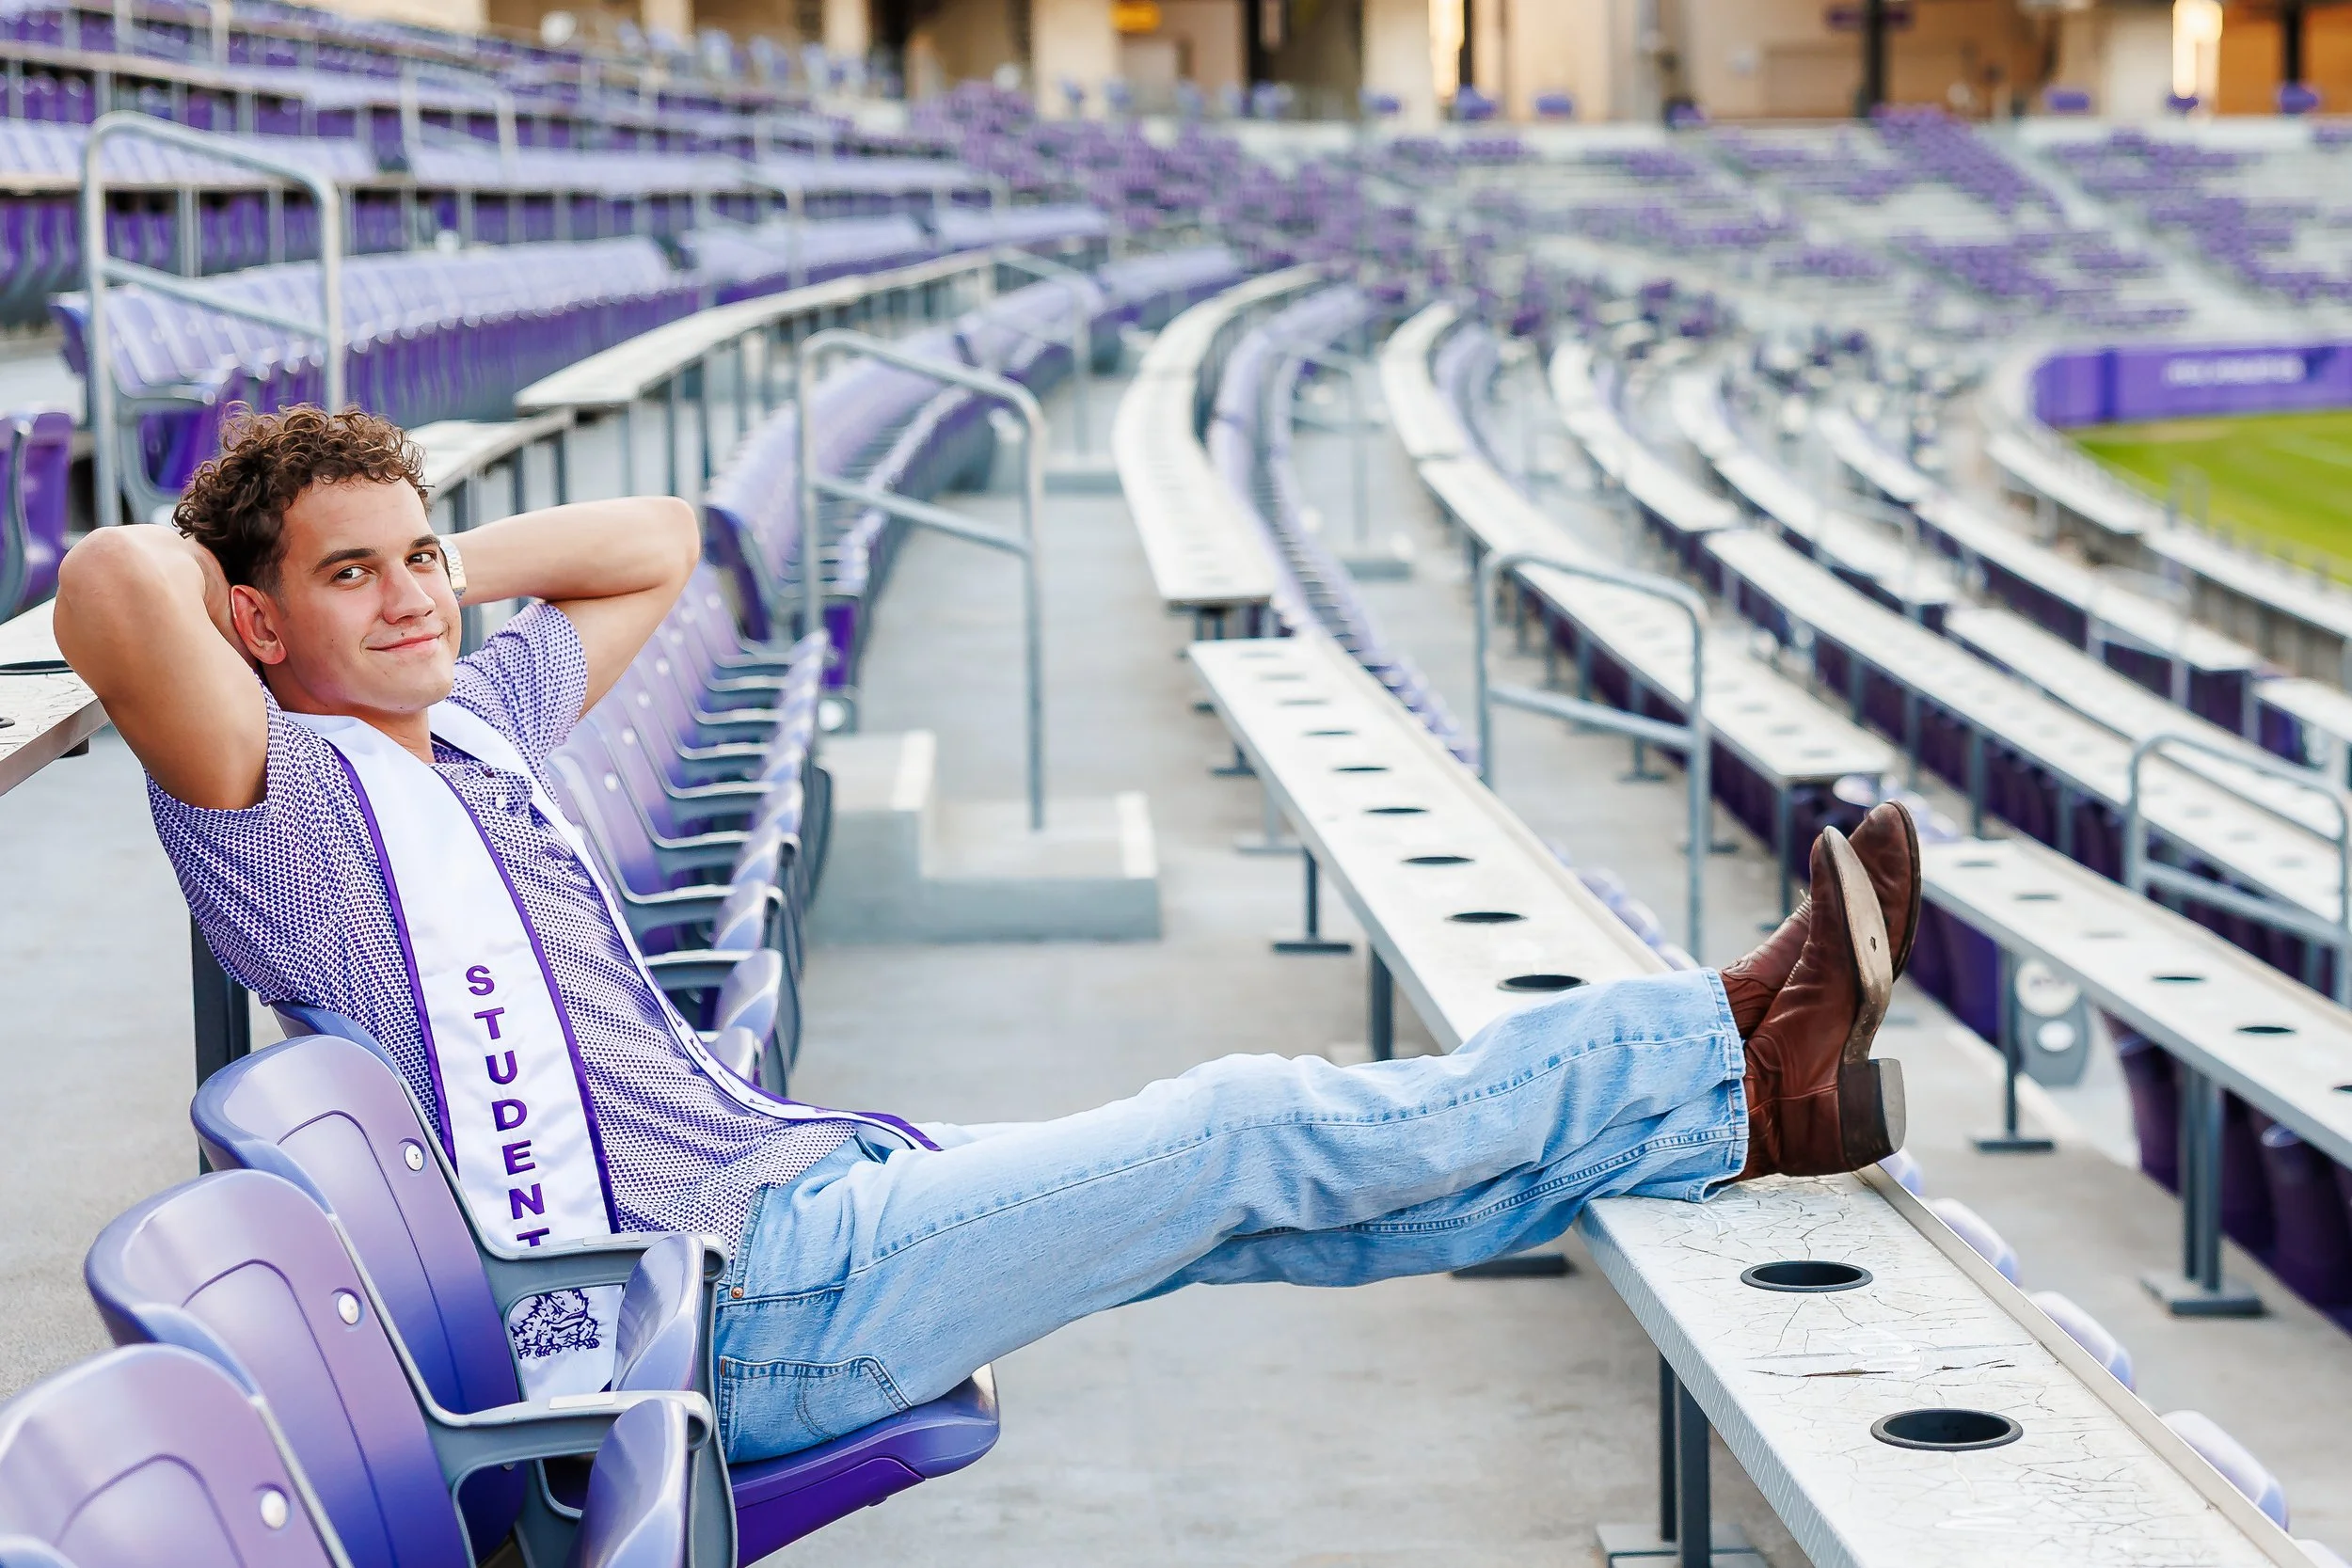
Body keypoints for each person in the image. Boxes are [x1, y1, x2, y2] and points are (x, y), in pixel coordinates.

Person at [56, 405, 1916, 1463]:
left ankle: (1740, 1111)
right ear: (252, 622)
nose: (407, 597)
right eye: (347, 573)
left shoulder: (470, 717)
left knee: (1256, 1195)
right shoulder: (282, 809)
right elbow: (105, 581)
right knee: (1247, 1121)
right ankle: (1720, 1036)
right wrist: (267, 596)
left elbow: (659, 539)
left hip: (788, 1204)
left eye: (421, 559)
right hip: (734, 1304)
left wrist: (430, 566)